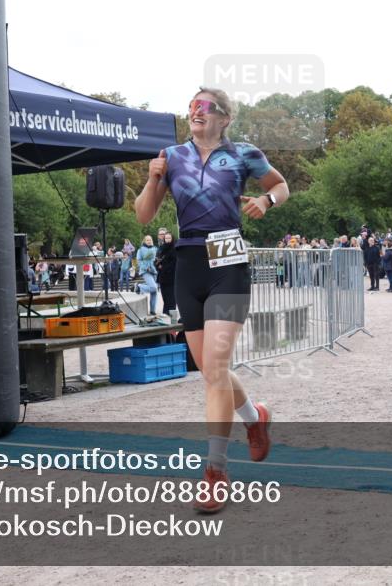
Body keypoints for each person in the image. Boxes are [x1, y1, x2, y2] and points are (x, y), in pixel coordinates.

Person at [134, 87, 287, 513]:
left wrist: (265, 199)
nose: (195, 113)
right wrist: (151, 178)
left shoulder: (244, 154)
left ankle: (215, 471)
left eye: (204, 108)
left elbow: (280, 185)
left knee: (216, 369)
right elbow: (143, 214)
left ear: (224, 117)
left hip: (228, 263)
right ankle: (255, 418)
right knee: (211, 372)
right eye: (191, 108)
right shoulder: (171, 155)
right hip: (188, 264)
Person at [134, 235, 159, 313]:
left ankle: (152, 310)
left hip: (154, 271)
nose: (149, 241)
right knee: (154, 287)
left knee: (154, 292)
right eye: (147, 240)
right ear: (144, 241)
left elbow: (158, 259)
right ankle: (139, 286)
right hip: (146, 271)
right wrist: (146, 267)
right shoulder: (140, 250)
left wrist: (157, 262)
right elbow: (138, 261)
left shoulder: (155, 249)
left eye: (150, 240)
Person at [157, 231, 178, 314]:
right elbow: (157, 259)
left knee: (171, 298)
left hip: (171, 277)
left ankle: (172, 316)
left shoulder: (175, 248)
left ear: (172, 238)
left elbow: (174, 263)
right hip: (162, 277)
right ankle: (165, 315)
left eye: (169, 238)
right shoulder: (161, 248)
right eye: (166, 238)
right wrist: (157, 264)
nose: (167, 240)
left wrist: (164, 267)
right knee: (165, 298)